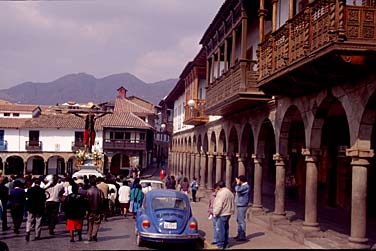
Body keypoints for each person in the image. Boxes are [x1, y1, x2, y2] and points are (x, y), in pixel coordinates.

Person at [213, 181, 235, 250]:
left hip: (222, 213)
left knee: (220, 229)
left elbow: (219, 205)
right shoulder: (229, 192)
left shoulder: (221, 193)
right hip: (228, 212)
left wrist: (215, 213)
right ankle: (226, 243)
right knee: (226, 228)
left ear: (218, 187)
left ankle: (220, 244)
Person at [86, 176, 105, 242]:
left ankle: (89, 236)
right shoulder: (99, 191)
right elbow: (102, 201)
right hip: (97, 210)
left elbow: (85, 201)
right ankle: (94, 234)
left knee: (90, 223)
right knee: (96, 223)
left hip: (89, 210)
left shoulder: (87, 191)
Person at [234, 175, 250, 242]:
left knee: (241, 221)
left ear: (241, 180)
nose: (237, 181)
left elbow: (237, 189)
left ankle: (242, 236)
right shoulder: (243, 186)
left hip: (242, 205)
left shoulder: (246, 186)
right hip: (239, 204)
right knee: (238, 220)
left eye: (238, 180)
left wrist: (237, 183)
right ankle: (239, 234)